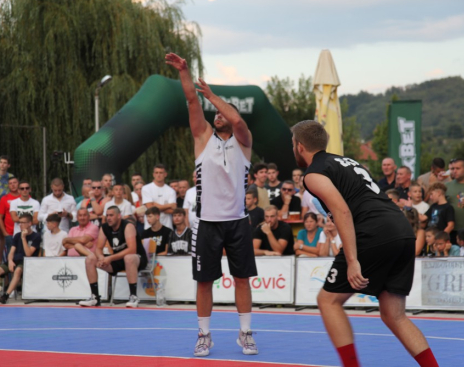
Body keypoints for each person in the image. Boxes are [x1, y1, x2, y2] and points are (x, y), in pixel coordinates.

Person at [291, 120, 438, 367]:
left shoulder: (313, 174)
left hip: (373, 231)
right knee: (395, 315)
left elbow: (343, 211)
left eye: (292, 145)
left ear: (299, 146)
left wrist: (352, 260)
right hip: (400, 228)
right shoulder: (346, 162)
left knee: (328, 301)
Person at [167, 52, 258, 356]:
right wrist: (184, 72)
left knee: (242, 280)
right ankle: (204, 334)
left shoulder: (244, 141)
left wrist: (217, 99)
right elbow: (193, 102)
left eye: (221, 112)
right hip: (206, 222)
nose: (217, 115)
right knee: (204, 282)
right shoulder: (203, 137)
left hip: (237, 221)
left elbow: (237, 119)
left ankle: (245, 333)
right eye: (216, 112)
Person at [79, 206, 147, 308]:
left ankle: (133, 297)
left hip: (137, 258)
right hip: (118, 259)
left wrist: (110, 258)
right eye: (107, 215)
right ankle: (95, 297)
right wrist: (101, 257)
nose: (108, 218)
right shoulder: (105, 227)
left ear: (119, 216)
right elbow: (98, 248)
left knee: (129, 258)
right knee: (90, 259)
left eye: (111, 215)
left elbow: (132, 249)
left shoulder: (128, 226)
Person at [0, 214, 41, 305]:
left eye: (23, 222)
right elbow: (11, 252)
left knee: (18, 270)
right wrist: (10, 261)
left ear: (30, 223)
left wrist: (23, 238)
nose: (20, 225)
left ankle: (6, 295)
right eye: (19, 222)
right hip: (15, 260)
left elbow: (28, 254)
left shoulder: (36, 237)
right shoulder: (17, 235)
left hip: (27, 262)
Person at [142, 164, 177, 230]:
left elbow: (172, 210)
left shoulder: (171, 191)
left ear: (165, 174)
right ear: (153, 174)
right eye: (156, 172)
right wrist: (168, 205)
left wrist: (155, 204)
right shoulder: (146, 188)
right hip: (150, 227)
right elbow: (150, 208)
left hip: (167, 226)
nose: (158, 175)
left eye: (161, 173)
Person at [0, 177, 20, 262]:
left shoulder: (25, 197)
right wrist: (4, 233)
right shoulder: (4, 198)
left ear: (18, 184)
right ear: (8, 186)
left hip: (24, 232)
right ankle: (10, 275)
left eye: (15, 182)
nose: (13, 185)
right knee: (11, 257)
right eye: (10, 183)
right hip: (10, 233)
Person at [445, 158, 464, 244]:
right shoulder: (446, 186)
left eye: (458, 168)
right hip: (453, 231)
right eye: (452, 169)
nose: (454, 171)